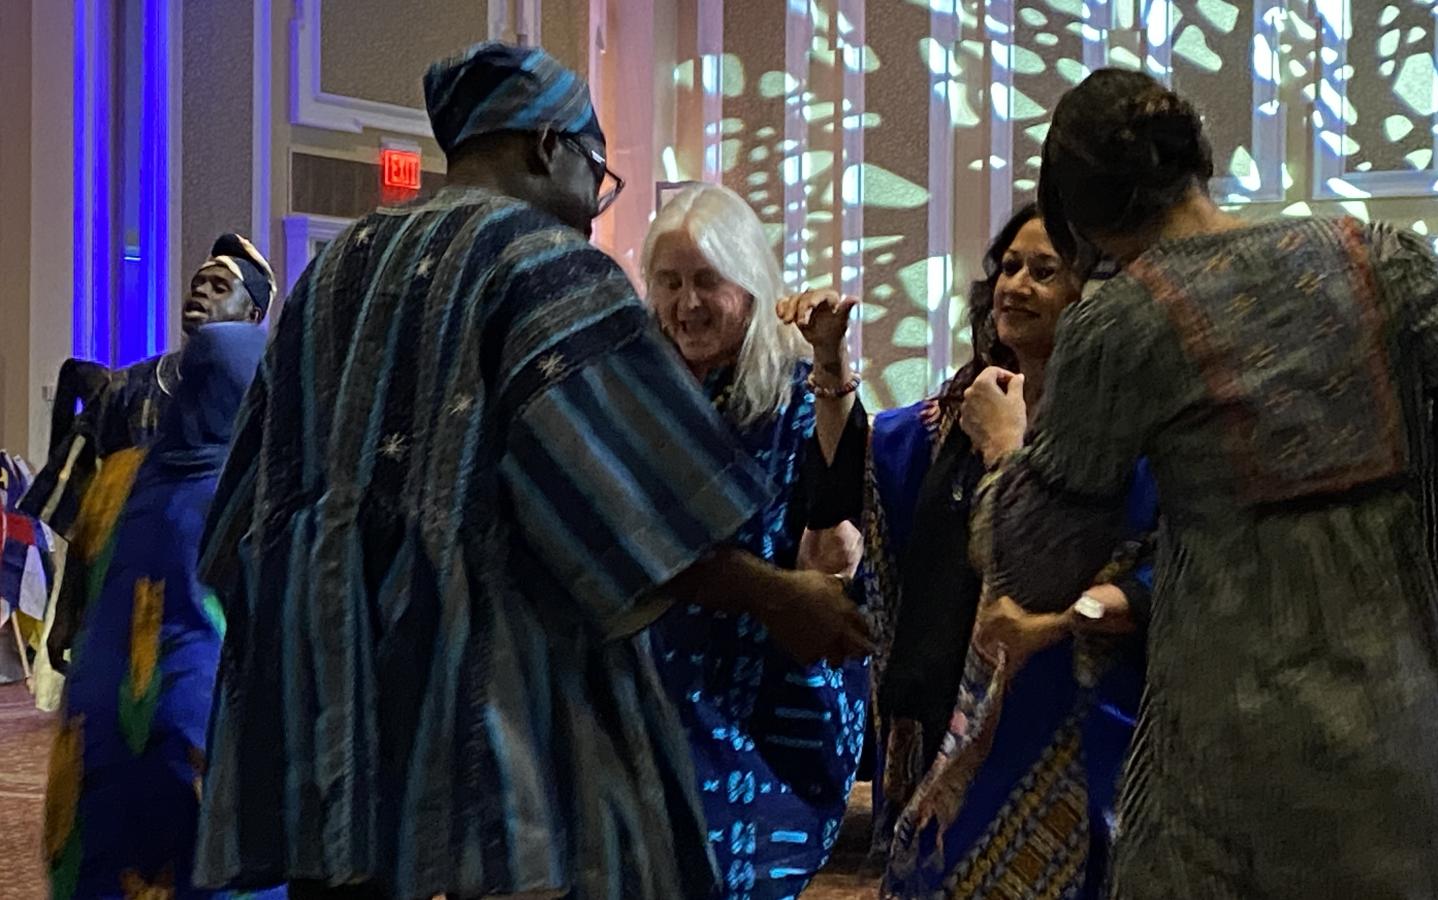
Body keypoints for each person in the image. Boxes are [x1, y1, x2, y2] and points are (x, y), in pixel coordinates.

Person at [191, 44, 871, 900]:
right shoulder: (543, 265)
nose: (593, 206)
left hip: (328, 716)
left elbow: (247, 506)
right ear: (551, 147)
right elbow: (622, 518)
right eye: (598, 174)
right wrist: (779, 597)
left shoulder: (336, 266)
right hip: (491, 738)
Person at [973, 67, 1438, 899]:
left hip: (1229, 763)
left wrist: (1007, 450)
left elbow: (1036, 563)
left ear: (1078, 212)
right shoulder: (1380, 260)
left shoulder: (1120, 324)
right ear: (1198, 160)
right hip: (1410, 735)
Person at [850, 204, 1155, 899]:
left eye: (1043, 272)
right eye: (1008, 267)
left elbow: (1148, 569)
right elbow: (865, 473)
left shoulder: (1131, 433)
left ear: (1093, 299)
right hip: (945, 724)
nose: (1015, 285)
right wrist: (834, 374)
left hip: (1068, 733)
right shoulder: (963, 410)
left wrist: (1006, 456)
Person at [640, 182, 870, 899]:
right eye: (669, 283)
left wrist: (832, 367)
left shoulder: (796, 392)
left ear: (750, 283)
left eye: (708, 281)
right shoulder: (635, 390)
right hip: (652, 699)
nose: (687, 305)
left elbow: (837, 537)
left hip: (768, 707)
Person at [41, 323, 282, 900]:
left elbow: (82, 561)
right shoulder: (252, 489)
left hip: (92, 733)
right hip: (199, 731)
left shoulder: (120, 475)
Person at [21, 235, 275, 538]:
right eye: (198, 284)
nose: (201, 291)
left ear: (252, 315)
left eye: (219, 288)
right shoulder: (128, 387)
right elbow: (66, 501)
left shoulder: (267, 397)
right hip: (131, 560)